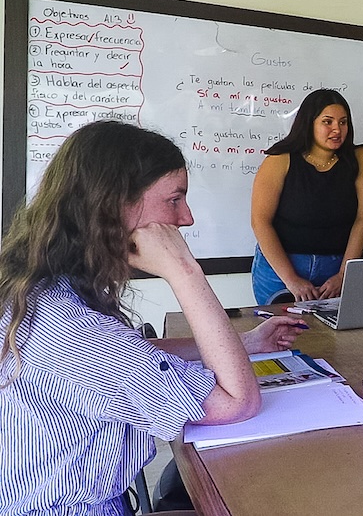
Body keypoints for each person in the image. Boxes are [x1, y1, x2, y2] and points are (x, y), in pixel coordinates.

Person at [0, 121, 306, 515]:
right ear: (115, 203)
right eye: (175, 199)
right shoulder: (69, 328)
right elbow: (238, 403)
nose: (187, 218)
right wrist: (184, 270)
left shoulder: (43, 288)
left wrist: (249, 343)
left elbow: (133, 353)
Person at [251, 89, 363, 304]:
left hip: (336, 269)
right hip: (281, 269)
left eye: (343, 122)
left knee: (332, 337)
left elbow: (362, 219)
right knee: (283, 335)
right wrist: (291, 279)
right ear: (309, 123)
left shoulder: (360, 157)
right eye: (327, 122)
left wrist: (343, 274)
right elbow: (260, 222)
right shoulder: (280, 159)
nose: (337, 129)